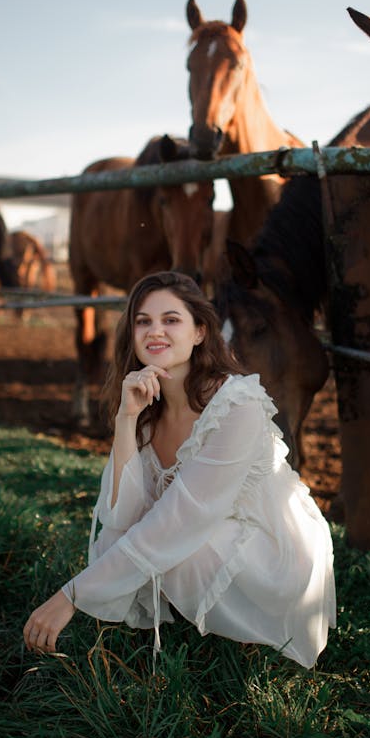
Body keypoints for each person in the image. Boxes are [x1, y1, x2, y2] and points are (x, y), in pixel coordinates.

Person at [23, 271, 336, 668]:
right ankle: (189, 615)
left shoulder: (235, 405)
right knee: (118, 538)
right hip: (203, 532)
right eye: (143, 321)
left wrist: (73, 594)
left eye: (171, 320)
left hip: (273, 551)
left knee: (181, 549)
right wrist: (125, 419)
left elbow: (182, 521)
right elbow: (120, 514)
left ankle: (249, 644)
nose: (156, 331)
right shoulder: (145, 405)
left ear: (200, 332)